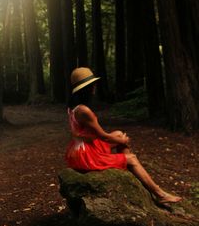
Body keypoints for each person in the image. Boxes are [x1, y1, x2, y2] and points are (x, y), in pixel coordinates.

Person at [65, 67, 182, 204]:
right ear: (87, 88)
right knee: (130, 156)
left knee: (118, 133)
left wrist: (118, 137)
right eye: (92, 84)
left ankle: (127, 167)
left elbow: (95, 135)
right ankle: (159, 194)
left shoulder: (73, 107)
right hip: (86, 154)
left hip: (81, 147)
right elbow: (104, 136)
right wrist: (123, 140)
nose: (95, 86)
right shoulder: (84, 111)